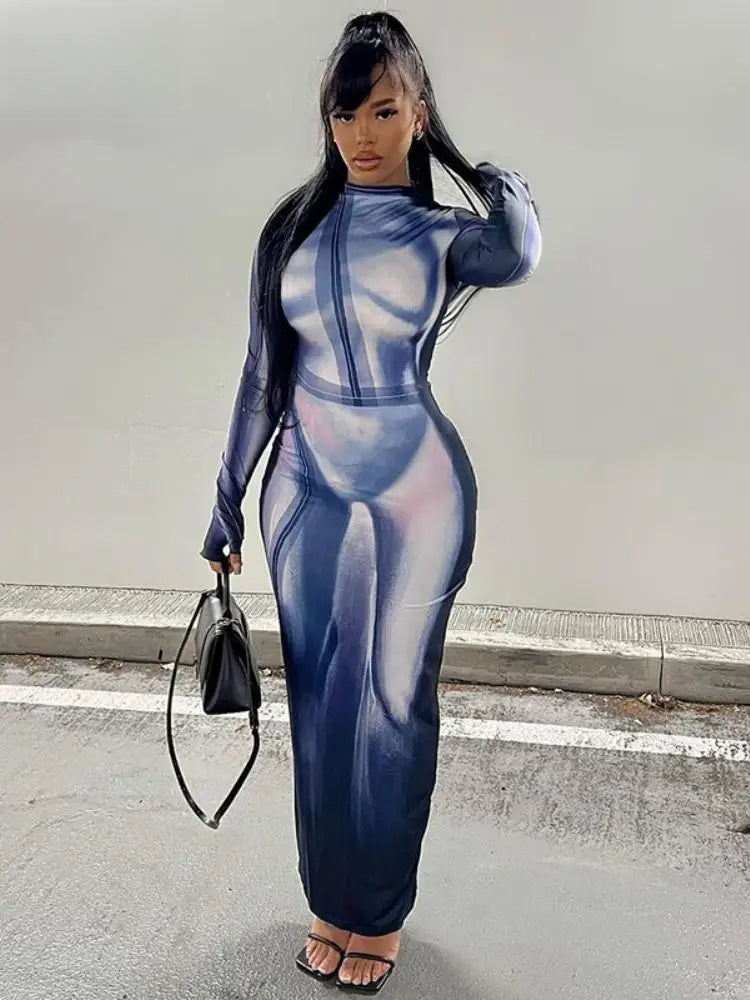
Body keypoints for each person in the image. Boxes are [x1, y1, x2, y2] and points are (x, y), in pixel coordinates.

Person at [201, 11, 541, 994]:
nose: (361, 131)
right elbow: (263, 376)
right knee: (321, 704)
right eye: (345, 112)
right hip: (303, 485)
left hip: (415, 489)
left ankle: (378, 914)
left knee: (392, 703)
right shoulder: (291, 230)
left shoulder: (445, 237)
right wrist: (225, 499)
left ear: (418, 115)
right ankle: (331, 902)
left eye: (384, 110)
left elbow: (519, 252)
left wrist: (496, 178)